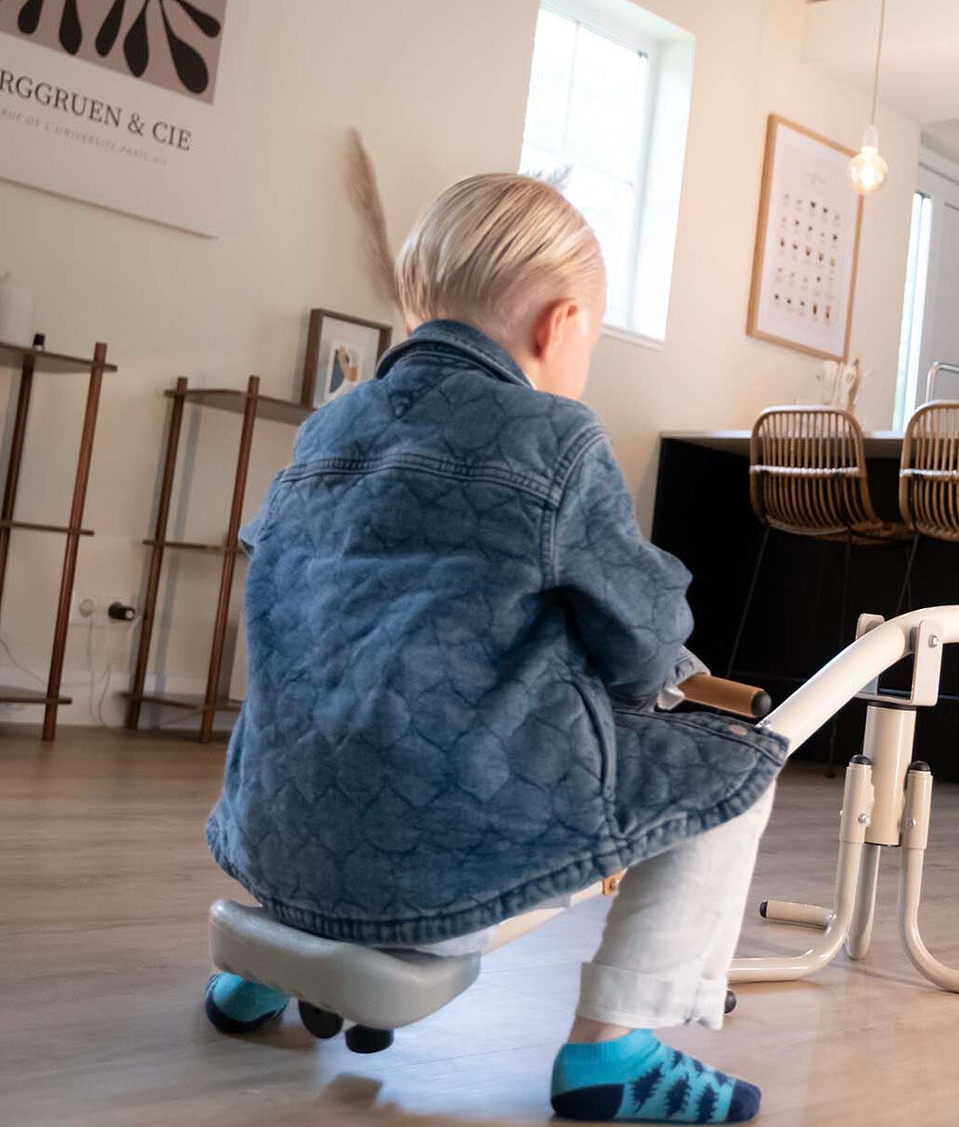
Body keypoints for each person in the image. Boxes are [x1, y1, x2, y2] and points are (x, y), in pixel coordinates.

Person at [202, 174, 786, 1122]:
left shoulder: (326, 428)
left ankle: (267, 959)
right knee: (737, 770)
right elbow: (643, 644)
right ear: (562, 326)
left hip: (272, 833)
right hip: (433, 857)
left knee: (351, 724)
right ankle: (617, 1050)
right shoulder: (555, 436)